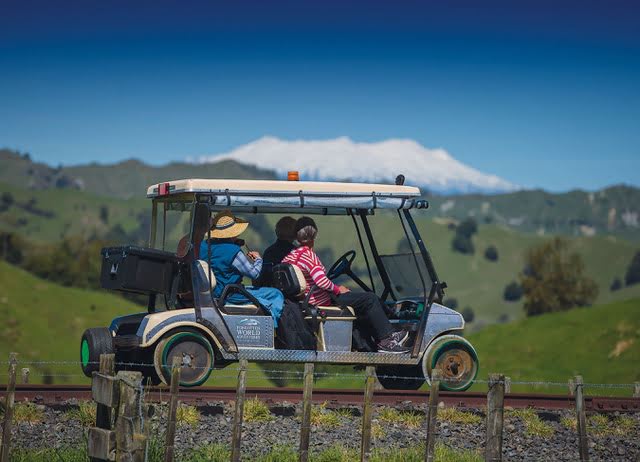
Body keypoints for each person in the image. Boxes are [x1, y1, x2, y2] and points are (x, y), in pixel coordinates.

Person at [282, 216, 409, 354]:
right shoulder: (309, 256)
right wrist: (337, 289)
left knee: (360, 301)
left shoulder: (290, 256)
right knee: (370, 299)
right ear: (314, 235)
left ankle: (370, 342)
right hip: (320, 301)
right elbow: (321, 281)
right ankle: (387, 340)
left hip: (305, 301)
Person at [200, 210, 285, 327]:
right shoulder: (232, 251)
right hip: (229, 295)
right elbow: (254, 273)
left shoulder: (203, 246)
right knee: (276, 294)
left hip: (213, 293)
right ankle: (274, 330)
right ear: (234, 233)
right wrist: (258, 260)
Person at [256, 216, 297, 286]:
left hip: (270, 289)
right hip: (291, 293)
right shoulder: (296, 253)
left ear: (276, 232)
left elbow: (263, 277)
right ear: (295, 234)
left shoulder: (268, 252)